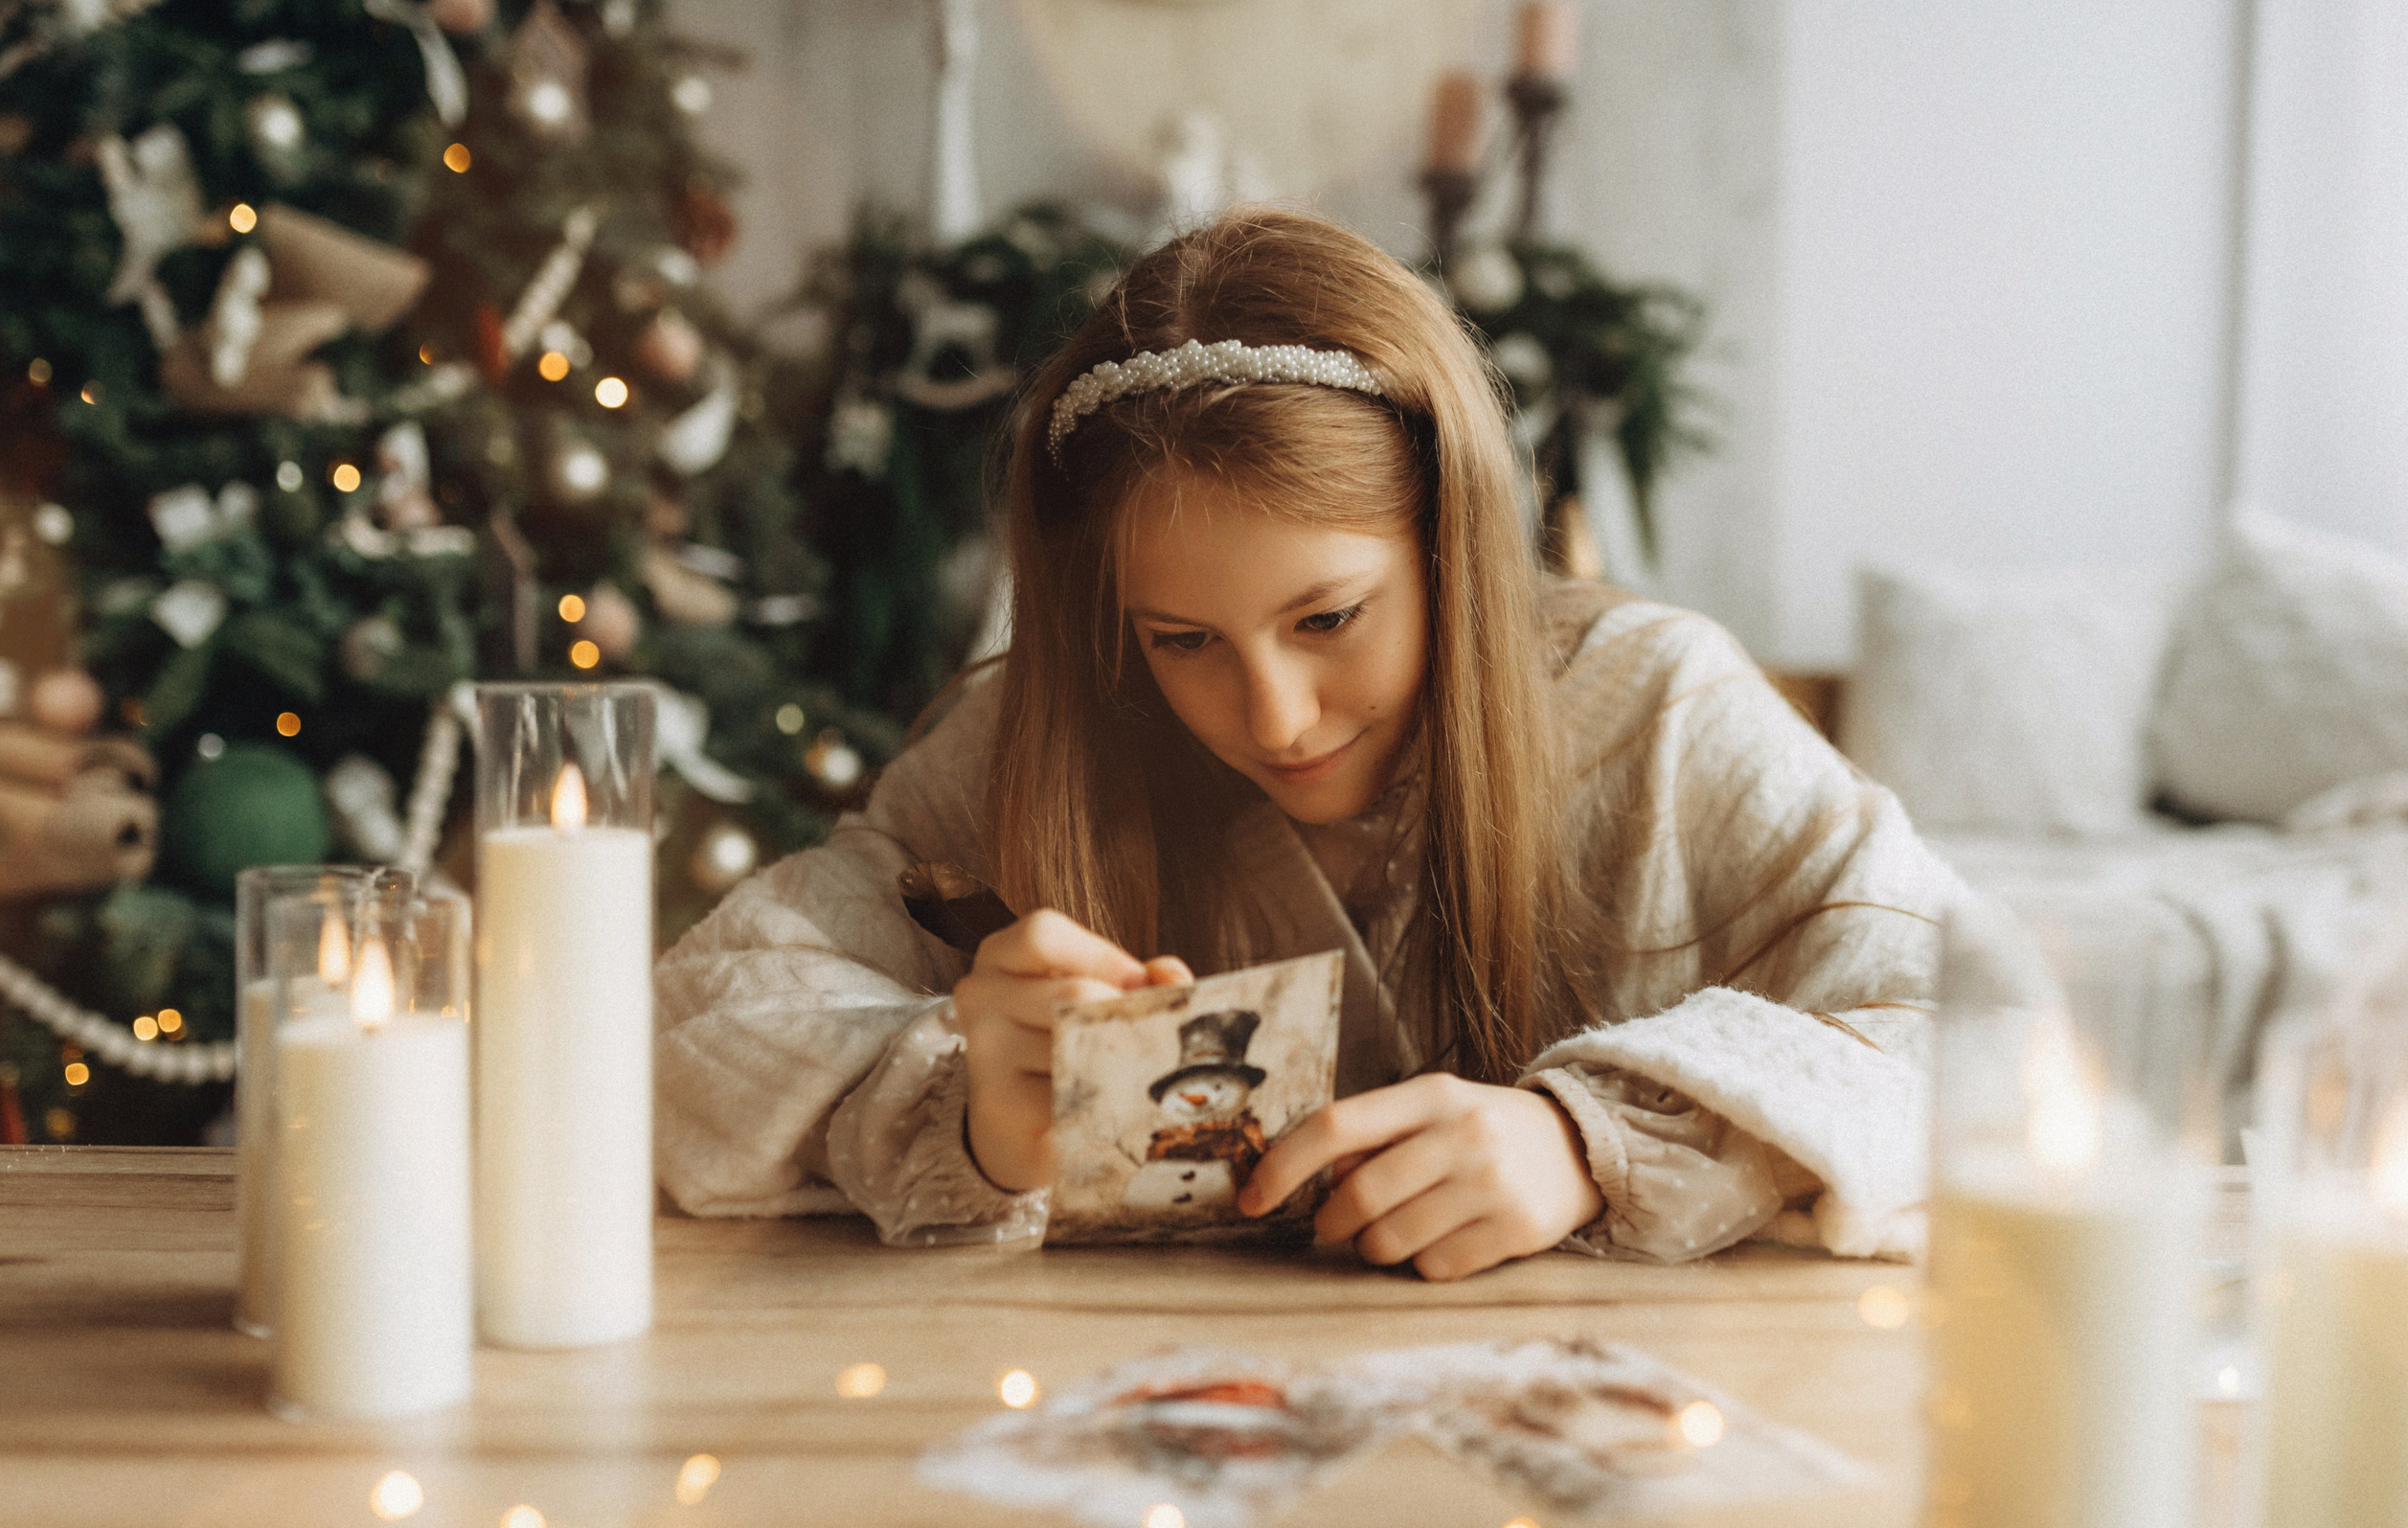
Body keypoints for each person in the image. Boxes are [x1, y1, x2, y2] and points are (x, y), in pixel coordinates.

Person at [655, 208, 1965, 1278]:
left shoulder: (1660, 708)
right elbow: (690, 1034)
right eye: (1181, 638)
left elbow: (1988, 1023)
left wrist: (1591, 1138)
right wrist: (967, 1113)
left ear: (1452, 549)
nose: (1274, 717)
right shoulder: (1043, 734)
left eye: (1328, 616)